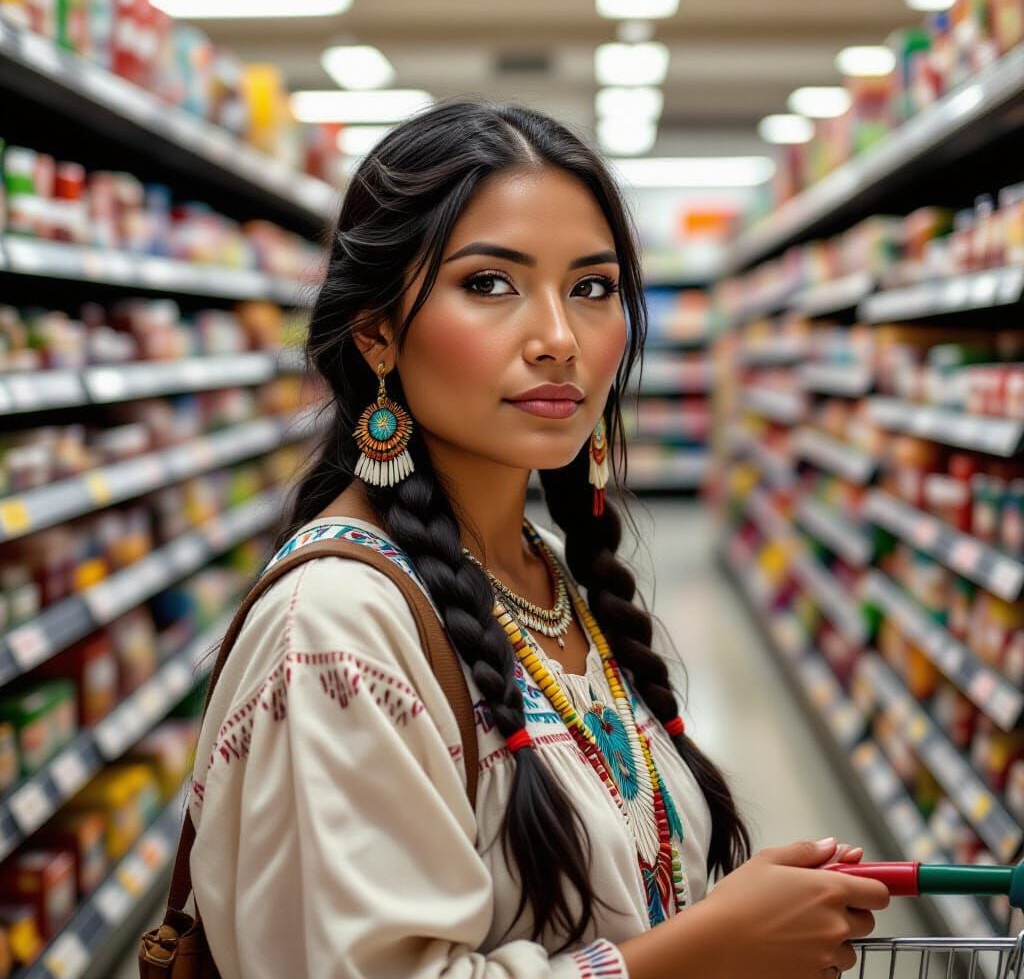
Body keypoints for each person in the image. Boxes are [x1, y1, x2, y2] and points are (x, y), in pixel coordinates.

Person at [187, 99, 891, 978]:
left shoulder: (541, 576)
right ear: (374, 331)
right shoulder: (336, 627)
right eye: (489, 283)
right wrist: (705, 951)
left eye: (593, 288)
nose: (560, 339)